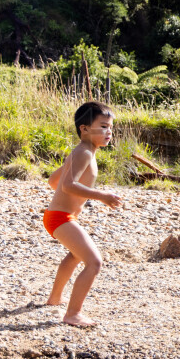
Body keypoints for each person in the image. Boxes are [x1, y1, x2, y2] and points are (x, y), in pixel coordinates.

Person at [43, 101, 123, 327]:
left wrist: (68, 176)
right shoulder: (84, 153)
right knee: (94, 262)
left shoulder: (82, 152)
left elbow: (53, 181)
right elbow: (67, 186)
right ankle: (72, 314)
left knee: (76, 255)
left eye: (111, 127)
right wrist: (101, 195)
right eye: (104, 126)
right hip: (60, 217)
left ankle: (54, 299)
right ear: (84, 129)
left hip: (59, 216)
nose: (109, 132)